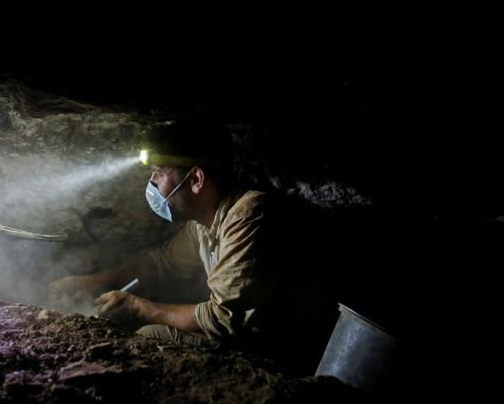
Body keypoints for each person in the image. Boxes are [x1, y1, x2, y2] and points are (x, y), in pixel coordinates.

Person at [49, 119, 336, 373]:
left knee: (151, 335)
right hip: (244, 337)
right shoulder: (204, 220)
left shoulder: (249, 215)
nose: (152, 182)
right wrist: (95, 281)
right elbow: (161, 262)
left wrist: (138, 307)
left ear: (196, 180)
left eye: (160, 173)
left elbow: (222, 319)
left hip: (276, 351)